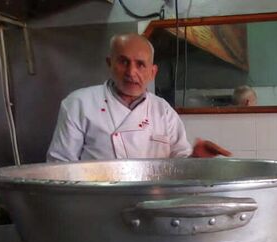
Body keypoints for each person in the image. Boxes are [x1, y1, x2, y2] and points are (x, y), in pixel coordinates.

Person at [47, 33, 231, 162]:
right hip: (98, 203)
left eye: (140, 64)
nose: (131, 72)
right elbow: (60, 165)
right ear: (109, 63)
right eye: (123, 62)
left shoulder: (163, 110)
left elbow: (180, 164)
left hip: (154, 203)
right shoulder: (79, 104)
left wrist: (196, 158)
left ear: (153, 72)